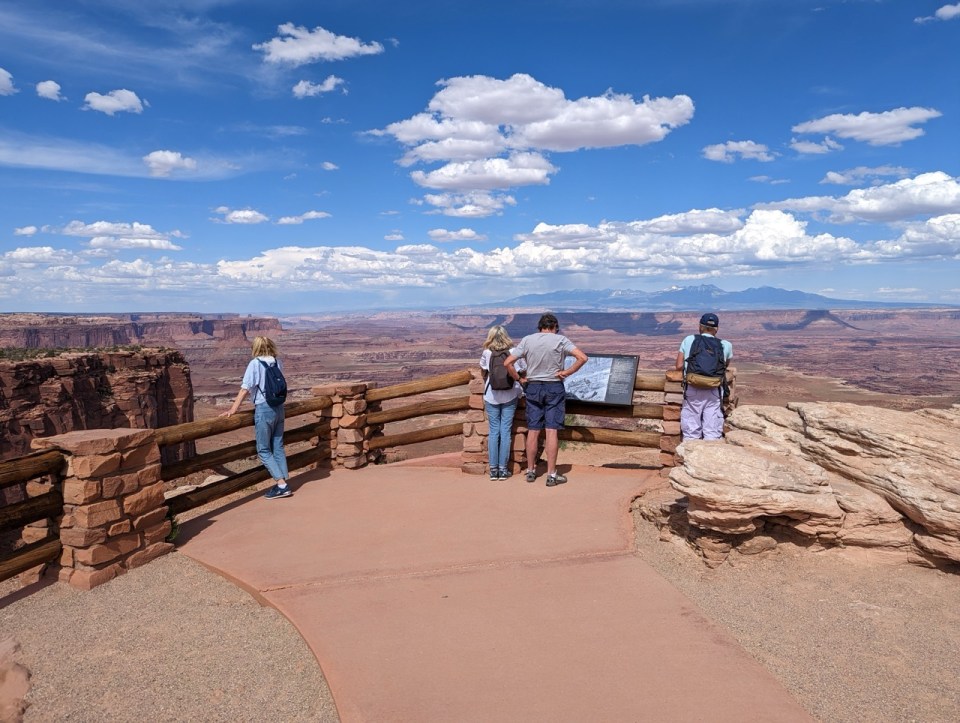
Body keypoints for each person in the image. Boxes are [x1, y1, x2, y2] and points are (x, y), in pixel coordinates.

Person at [505, 313, 588, 487]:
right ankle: (551, 474)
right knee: (551, 431)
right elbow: (583, 358)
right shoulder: (560, 340)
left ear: (539, 327)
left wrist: (519, 379)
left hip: (533, 386)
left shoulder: (528, 340)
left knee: (533, 430)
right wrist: (567, 372)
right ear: (555, 327)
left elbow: (508, 363)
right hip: (554, 387)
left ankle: (530, 471)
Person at [220, 336, 291, 499]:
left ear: (256, 348)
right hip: (279, 408)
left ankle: (282, 485)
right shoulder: (277, 361)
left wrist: (233, 409)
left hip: (264, 409)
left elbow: (245, 388)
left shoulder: (255, 363)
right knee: (278, 446)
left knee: (264, 449)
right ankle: (283, 483)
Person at [675, 313, 733, 441]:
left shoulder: (689, 340)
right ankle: (709, 459)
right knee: (712, 430)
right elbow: (725, 365)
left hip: (692, 387)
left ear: (700, 326)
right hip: (714, 389)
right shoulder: (726, 345)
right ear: (716, 329)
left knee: (691, 429)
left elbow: (679, 366)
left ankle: (689, 458)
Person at [480, 325, 526, 480]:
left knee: (494, 431)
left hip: (491, 396)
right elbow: (522, 369)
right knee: (505, 431)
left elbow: (483, 370)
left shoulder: (487, 352)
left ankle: (493, 471)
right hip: (510, 395)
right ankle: (503, 469)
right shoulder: (513, 352)